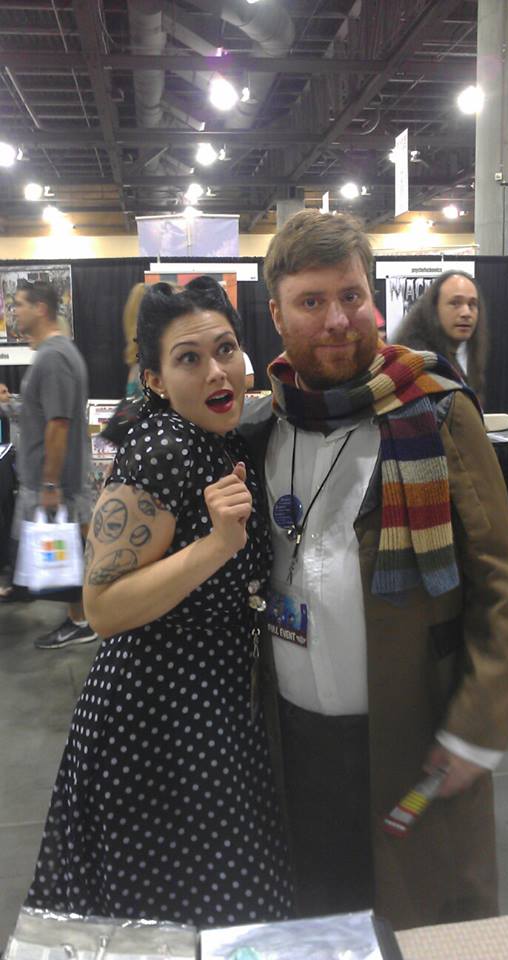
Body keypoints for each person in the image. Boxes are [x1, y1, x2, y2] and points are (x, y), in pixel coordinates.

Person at [240, 210, 508, 931]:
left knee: (419, 917)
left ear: (372, 298)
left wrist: (477, 722)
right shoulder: (261, 427)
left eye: (350, 296)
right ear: (276, 314)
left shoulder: (435, 411)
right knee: (315, 915)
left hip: (410, 730)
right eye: (311, 301)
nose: (337, 320)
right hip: (292, 738)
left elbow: (498, 578)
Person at [25, 278, 292, 927]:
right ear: (155, 380)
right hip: (155, 723)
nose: (216, 370)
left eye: (224, 349)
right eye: (188, 358)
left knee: (218, 903)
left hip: (208, 709)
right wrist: (217, 545)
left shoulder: (219, 438)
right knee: (175, 914)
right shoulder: (163, 448)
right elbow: (103, 606)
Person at [0, 280, 96, 649]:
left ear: (40, 308)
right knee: (69, 552)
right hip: (58, 482)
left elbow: (58, 424)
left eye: (19, 305)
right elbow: (44, 413)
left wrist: (51, 484)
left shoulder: (54, 357)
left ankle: (82, 620)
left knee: (69, 554)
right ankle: (79, 616)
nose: (14, 312)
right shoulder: (52, 354)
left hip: (60, 484)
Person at [393, 270, 488, 403]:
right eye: (455, 303)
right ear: (434, 309)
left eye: (472, 304)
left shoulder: (453, 364)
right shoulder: (420, 368)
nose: (466, 313)